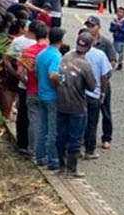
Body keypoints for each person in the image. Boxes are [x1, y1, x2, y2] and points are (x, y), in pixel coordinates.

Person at [56, 31, 97, 178]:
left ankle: (61, 167)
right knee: (75, 139)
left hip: (61, 104)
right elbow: (92, 86)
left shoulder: (65, 57)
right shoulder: (85, 65)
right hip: (77, 107)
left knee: (61, 137)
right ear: (89, 47)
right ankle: (71, 169)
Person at [76, 28, 111, 160]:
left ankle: (76, 148)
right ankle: (89, 150)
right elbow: (105, 75)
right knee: (91, 123)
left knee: (78, 122)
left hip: (77, 94)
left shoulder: (72, 54)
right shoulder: (100, 55)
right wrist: (102, 93)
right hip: (93, 95)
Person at [7, 20, 40, 154]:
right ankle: (32, 145)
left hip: (22, 84)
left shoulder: (17, 41)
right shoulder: (38, 46)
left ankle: (21, 144)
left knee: (22, 113)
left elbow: (7, 60)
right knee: (34, 116)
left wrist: (16, 75)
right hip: (35, 85)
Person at [85, 16, 117, 150]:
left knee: (105, 111)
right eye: (88, 26)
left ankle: (107, 137)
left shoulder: (105, 43)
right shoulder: (84, 41)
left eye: (92, 26)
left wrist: (105, 70)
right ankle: (87, 138)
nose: (89, 28)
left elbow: (113, 61)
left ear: (98, 27)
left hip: (102, 83)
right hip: (87, 84)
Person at [35, 27, 65, 170]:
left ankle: (40, 156)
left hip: (41, 93)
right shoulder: (56, 56)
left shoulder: (41, 54)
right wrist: (61, 81)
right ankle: (53, 159)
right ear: (61, 40)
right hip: (52, 96)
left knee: (42, 127)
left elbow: (36, 72)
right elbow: (52, 74)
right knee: (53, 129)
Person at [19, 21, 49, 155]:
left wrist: (27, 83)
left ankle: (33, 149)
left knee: (33, 121)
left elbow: (20, 72)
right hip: (48, 92)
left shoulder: (28, 52)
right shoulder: (50, 51)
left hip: (31, 90)